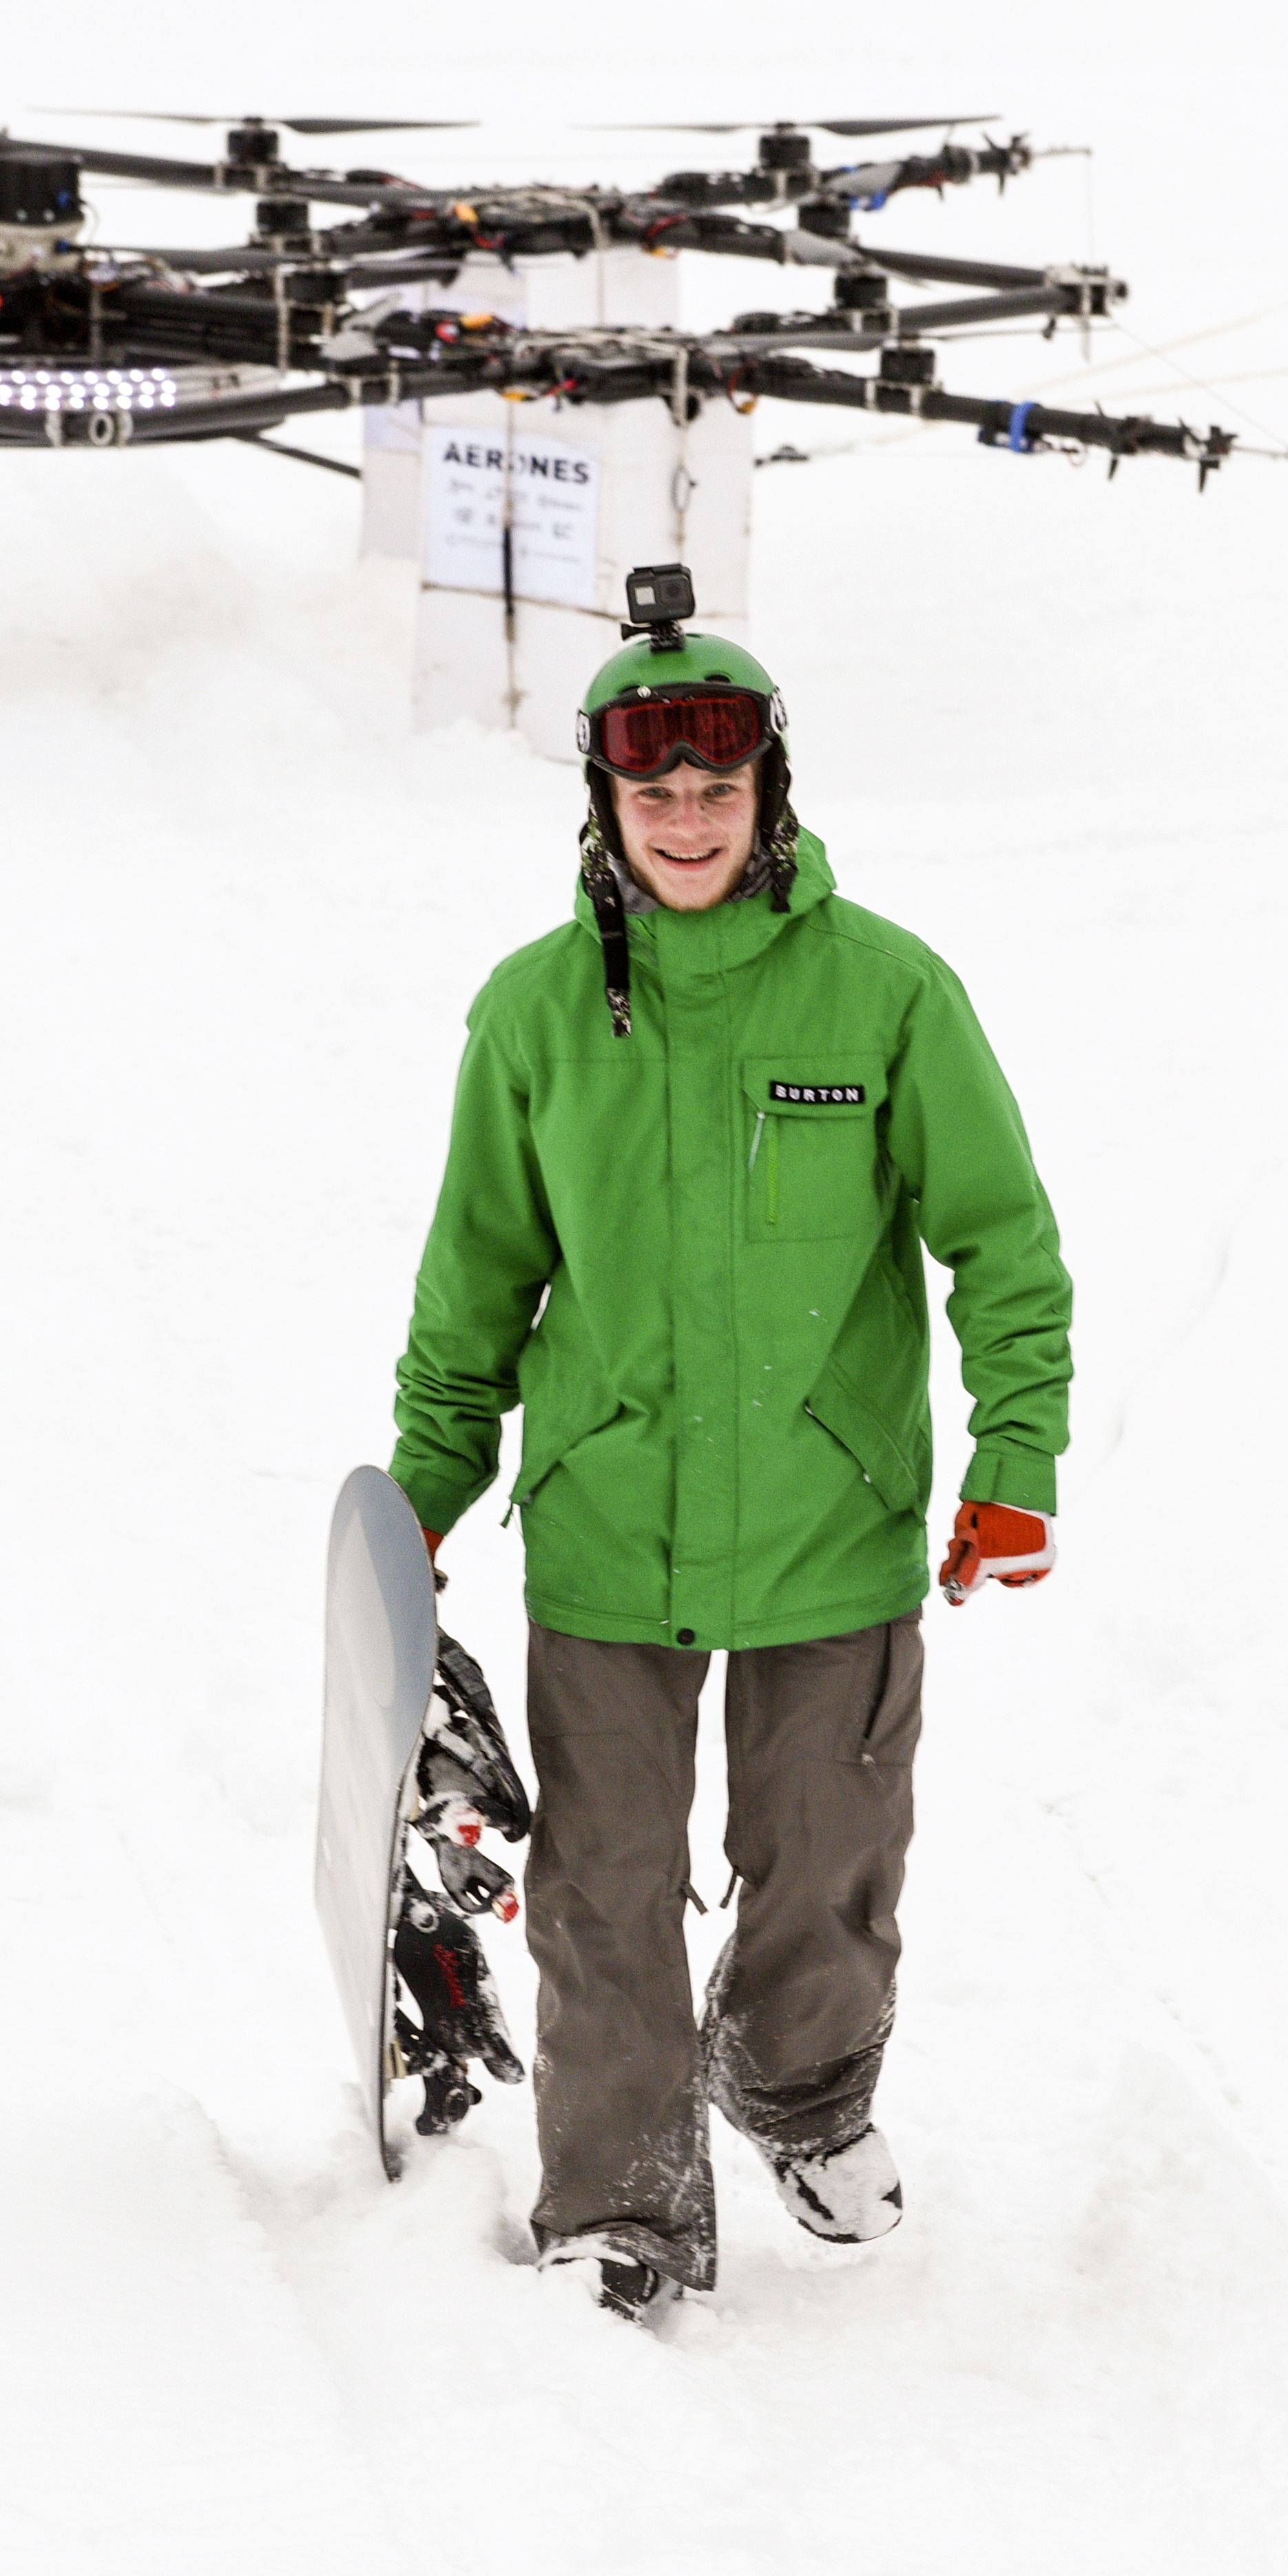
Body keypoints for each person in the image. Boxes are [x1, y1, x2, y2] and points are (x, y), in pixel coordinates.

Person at [386, 568, 1073, 2325]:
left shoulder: (887, 996)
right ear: (605, 807)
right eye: (650, 791)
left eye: (716, 788)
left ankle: (798, 2087)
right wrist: (422, 1498)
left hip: (830, 1532)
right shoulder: (534, 1015)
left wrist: (1017, 1458)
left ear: (771, 792)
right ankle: (619, 2204)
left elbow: (999, 1243)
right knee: (601, 1894)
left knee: (828, 1878)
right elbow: (475, 1279)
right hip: (610, 1527)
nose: (685, 820)